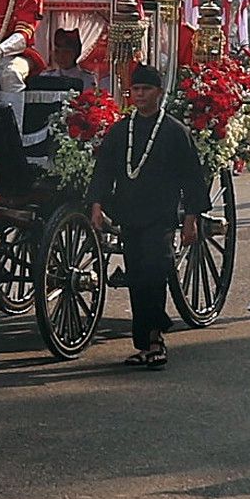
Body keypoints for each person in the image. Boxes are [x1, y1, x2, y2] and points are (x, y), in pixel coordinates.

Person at [84, 64, 212, 369]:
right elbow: (104, 170)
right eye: (136, 90)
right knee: (138, 277)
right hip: (130, 215)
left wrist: (191, 218)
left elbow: (191, 177)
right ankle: (144, 343)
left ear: (159, 93)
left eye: (146, 90)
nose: (139, 95)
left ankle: (156, 339)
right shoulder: (120, 131)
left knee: (156, 271)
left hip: (161, 216)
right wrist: (96, 204)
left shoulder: (173, 131)